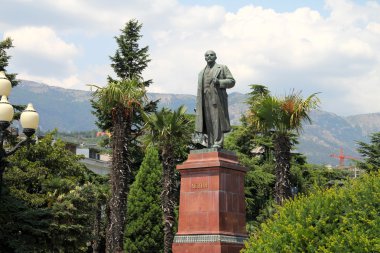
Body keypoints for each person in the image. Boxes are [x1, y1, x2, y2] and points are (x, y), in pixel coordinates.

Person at [195, 50, 235, 148]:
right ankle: (210, 143)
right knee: (208, 122)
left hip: (217, 99)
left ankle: (218, 142)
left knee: (217, 121)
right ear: (204, 58)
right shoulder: (201, 73)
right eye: (207, 55)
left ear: (215, 57)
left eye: (211, 55)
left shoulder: (222, 68)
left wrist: (219, 82)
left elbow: (232, 81)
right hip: (204, 100)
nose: (209, 56)